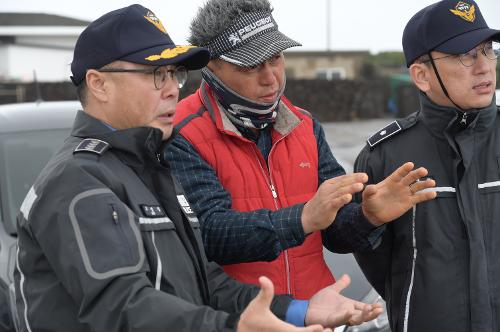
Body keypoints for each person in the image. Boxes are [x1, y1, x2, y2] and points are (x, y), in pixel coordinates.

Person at [12, 4, 386, 332]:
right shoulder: (78, 180)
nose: (173, 89)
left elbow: (206, 282)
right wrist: (235, 326)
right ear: (99, 84)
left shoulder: (148, 165)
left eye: (174, 74)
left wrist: (299, 309)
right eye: (154, 74)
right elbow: (124, 309)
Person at [165, 0, 436, 300]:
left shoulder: (305, 124)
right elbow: (209, 235)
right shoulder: (180, 132)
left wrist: (367, 217)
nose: (270, 77)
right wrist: (303, 218)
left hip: (319, 311)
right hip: (237, 319)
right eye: (252, 65)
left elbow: (333, 230)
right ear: (212, 67)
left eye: (276, 58)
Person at [353, 1, 500, 331]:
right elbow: (377, 263)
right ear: (421, 75)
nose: (484, 67)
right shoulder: (385, 157)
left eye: (488, 50)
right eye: (465, 55)